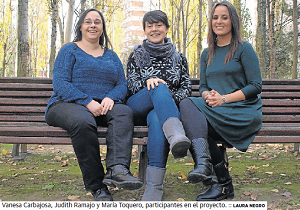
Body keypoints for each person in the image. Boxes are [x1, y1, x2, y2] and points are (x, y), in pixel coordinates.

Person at [45, 8, 142, 201]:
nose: (92, 25)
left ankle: (117, 169)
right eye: (88, 21)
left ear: (102, 27)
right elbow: (61, 84)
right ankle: (97, 186)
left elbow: (122, 84)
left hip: (102, 106)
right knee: (83, 121)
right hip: (66, 104)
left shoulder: (111, 56)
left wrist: (111, 97)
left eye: (97, 22)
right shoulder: (69, 50)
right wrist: (87, 101)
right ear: (80, 26)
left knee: (123, 111)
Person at [179, 1, 263, 201]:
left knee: (187, 107)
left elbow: (255, 86)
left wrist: (224, 99)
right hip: (216, 110)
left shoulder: (244, 49)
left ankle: (209, 171)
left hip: (242, 111)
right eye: (215, 17)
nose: (219, 21)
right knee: (192, 122)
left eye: (224, 17)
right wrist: (208, 95)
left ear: (232, 21)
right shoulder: (207, 53)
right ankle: (223, 183)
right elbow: (203, 87)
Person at [126, 10, 192, 201]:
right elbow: (131, 85)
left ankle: (154, 187)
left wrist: (164, 99)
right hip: (138, 104)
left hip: (162, 112)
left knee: (157, 116)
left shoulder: (179, 58)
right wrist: (152, 86)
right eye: (150, 25)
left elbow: (186, 88)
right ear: (145, 30)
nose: (154, 29)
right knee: (158, 86)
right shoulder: (136, 55)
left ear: (166, 28)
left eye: (159, 25)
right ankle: (176, 135)